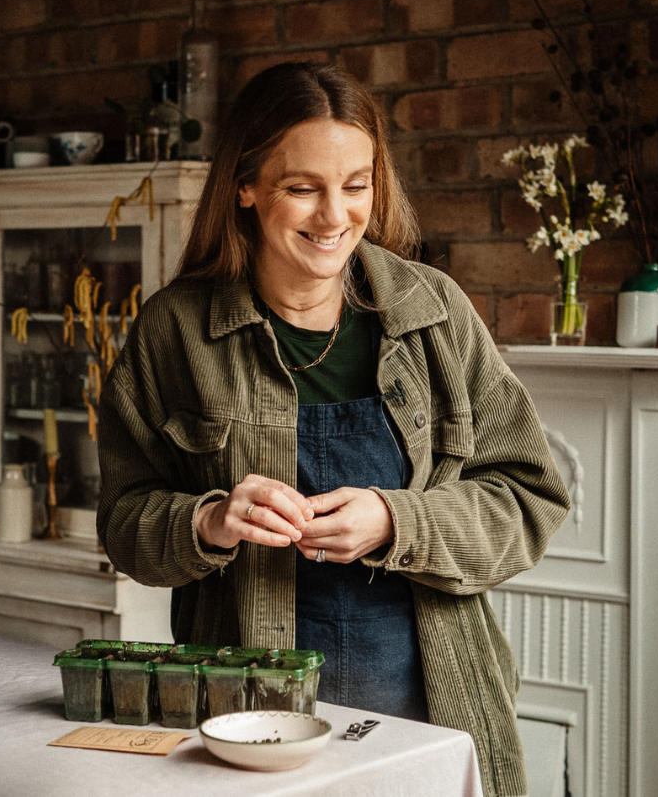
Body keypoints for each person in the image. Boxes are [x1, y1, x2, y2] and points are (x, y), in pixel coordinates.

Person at [96, 62, 570, 797]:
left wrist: (395, 518)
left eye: (356, 184)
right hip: (250, 723)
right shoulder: (175, 330)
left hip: (432, 713)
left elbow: (530, 500)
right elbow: (125, 524)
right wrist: (210, 521)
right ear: (246, 188)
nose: (335, 216)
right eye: (302, 187)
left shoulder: (434, 313)